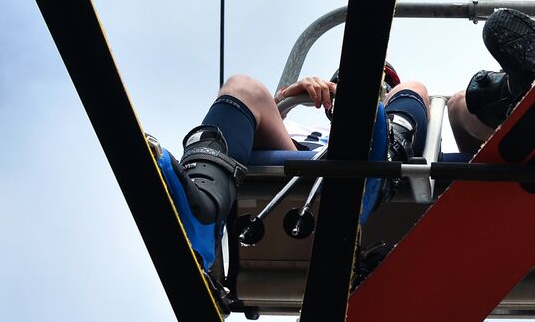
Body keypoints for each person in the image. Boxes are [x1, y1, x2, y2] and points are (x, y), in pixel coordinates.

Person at [172, 65, 430, 231]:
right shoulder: (299, 130)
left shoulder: (415, 127)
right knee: (242, 86)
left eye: (384, 88)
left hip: (388, 161)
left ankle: (375, 169)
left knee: (415, 87)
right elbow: (256, 126)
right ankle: (201, 207)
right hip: (305, 165)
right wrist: (285, 99)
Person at [446, 8, 535, 155]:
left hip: (508, 155)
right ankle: (513, 93)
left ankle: (512, 96)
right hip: (519, 152)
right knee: (457, 102)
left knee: (456, 103)